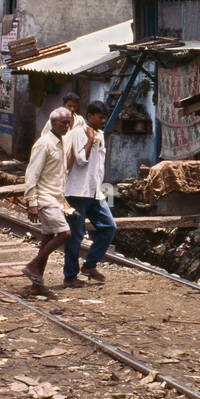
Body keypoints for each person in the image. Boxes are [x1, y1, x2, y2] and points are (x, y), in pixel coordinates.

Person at [62, 100, 117, 286]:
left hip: (94, 192)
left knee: (109, 227)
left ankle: (90, 264)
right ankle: (70, 276)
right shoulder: (79, 133)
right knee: (75, 235)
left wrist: (95, 137)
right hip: (77, 192)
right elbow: (81, 160)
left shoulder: (100, 133)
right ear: (90, 116)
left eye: (105, 118)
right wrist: (90, 140)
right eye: (100, 117)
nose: (103, 121)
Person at [23, 107, 74, 295]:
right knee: (64, 233)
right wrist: (32, 202)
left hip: (55, 197)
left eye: (68, 123)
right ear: (53, 123)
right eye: (63, 123)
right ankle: (33, 265)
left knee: (48, 239)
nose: (66, 126)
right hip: (44, 198)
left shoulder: (61, 142)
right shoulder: (44, 144)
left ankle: (37, 284)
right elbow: (32, 174)